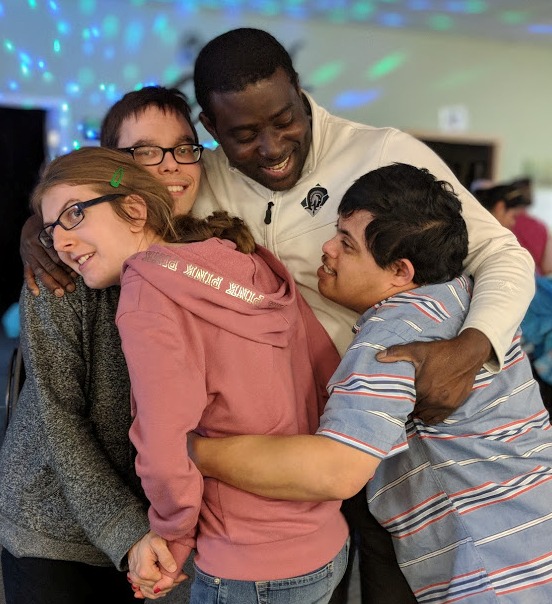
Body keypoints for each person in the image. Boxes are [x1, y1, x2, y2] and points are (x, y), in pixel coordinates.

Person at [19, 28, 536, 604]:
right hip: (229, 490)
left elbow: (502, 252)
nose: (270, 147)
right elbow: (121, 191)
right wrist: (52, 224)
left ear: (300, 92)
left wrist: (471, 346)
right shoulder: (197, 181)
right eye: (243, 135)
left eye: (285, 119)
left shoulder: (381, 152)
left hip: (350, 447)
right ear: (212, 134)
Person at [189, 163, 552, 603]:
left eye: (347, 243)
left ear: (400, 271)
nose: (327, 248)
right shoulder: (464, 291)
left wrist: (185, 451)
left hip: (492, 575)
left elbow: (335, 470)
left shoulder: (394, 334)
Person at [34, 145, 349, 604]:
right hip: (323, 540)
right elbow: (326, 368)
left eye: (74, 215)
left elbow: (161, 440)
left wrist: (171, 538)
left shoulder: (147, 292)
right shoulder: (243, 257)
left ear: (134, 209)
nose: (60, 243)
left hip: (245, 561)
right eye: (50, 231)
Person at [0, 86, 201, 604]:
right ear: (112, 165)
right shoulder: (63, 273)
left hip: (161, 531)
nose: (170, 167)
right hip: (54, 525)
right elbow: (59, 418)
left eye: (184, 148)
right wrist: (125, 530)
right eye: (143, 153)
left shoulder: (206, 261)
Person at [510, 178, 552, 276]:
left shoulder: (506, 222)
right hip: (535, 283)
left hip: (512, 276)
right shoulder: (542, 227)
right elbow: (548, 267)